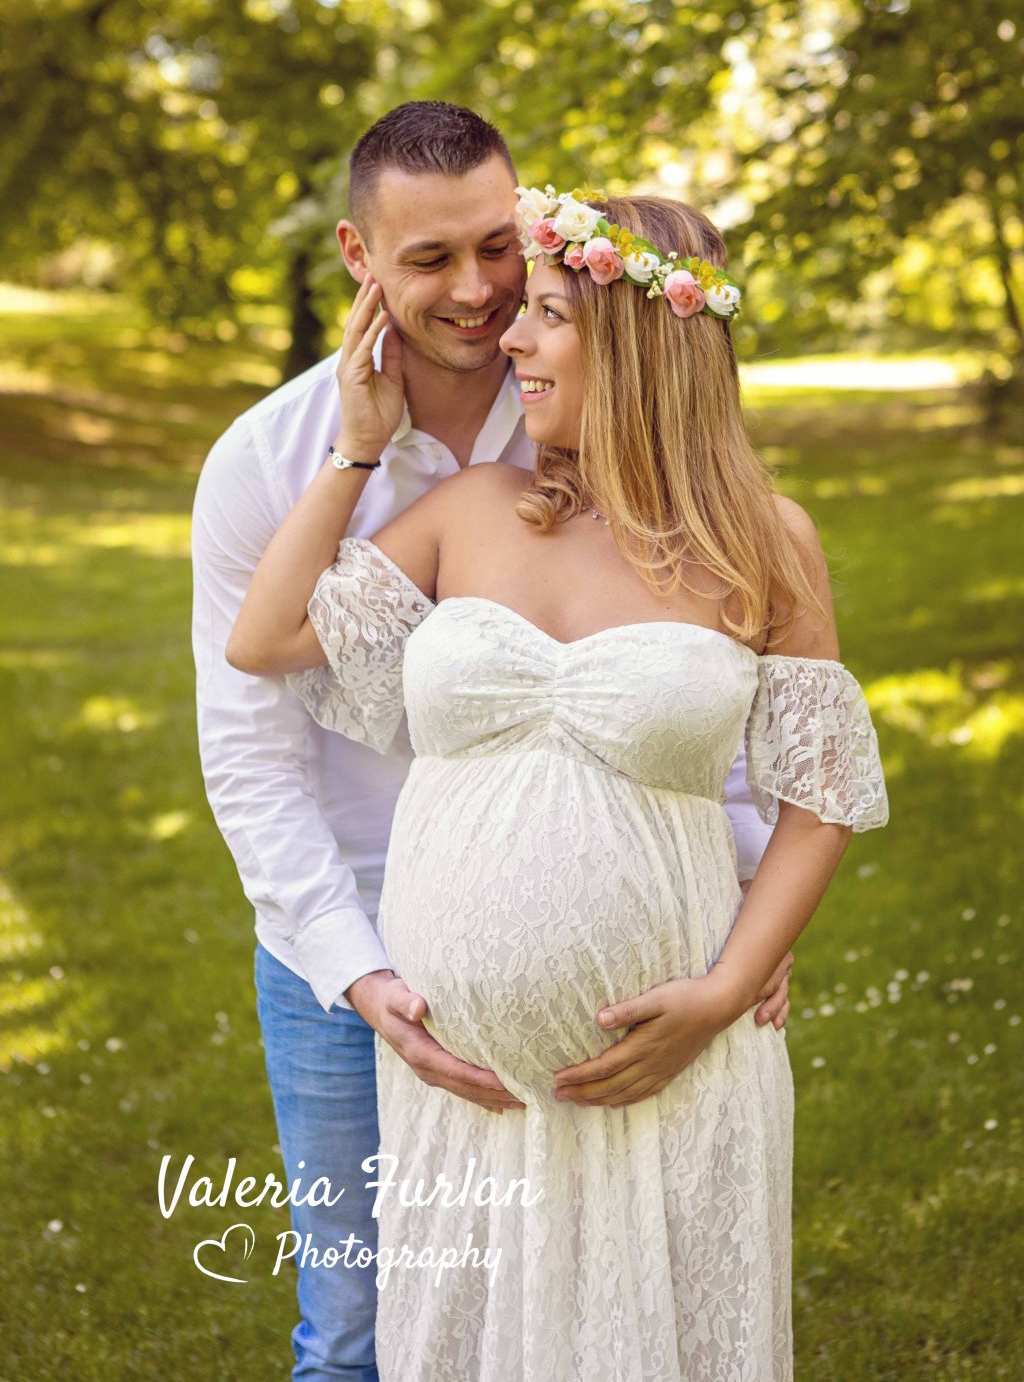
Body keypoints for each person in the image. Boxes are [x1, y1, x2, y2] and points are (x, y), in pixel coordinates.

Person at [227, 180, 889, 1380]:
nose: (510, 341)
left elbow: (819, 795)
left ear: (639, 344)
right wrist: (356, 447)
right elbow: (265, 636)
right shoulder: (475, 509)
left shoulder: (762, 539)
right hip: (465, 1091)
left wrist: (727, 983)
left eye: (545, 314)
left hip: (669, 1064)